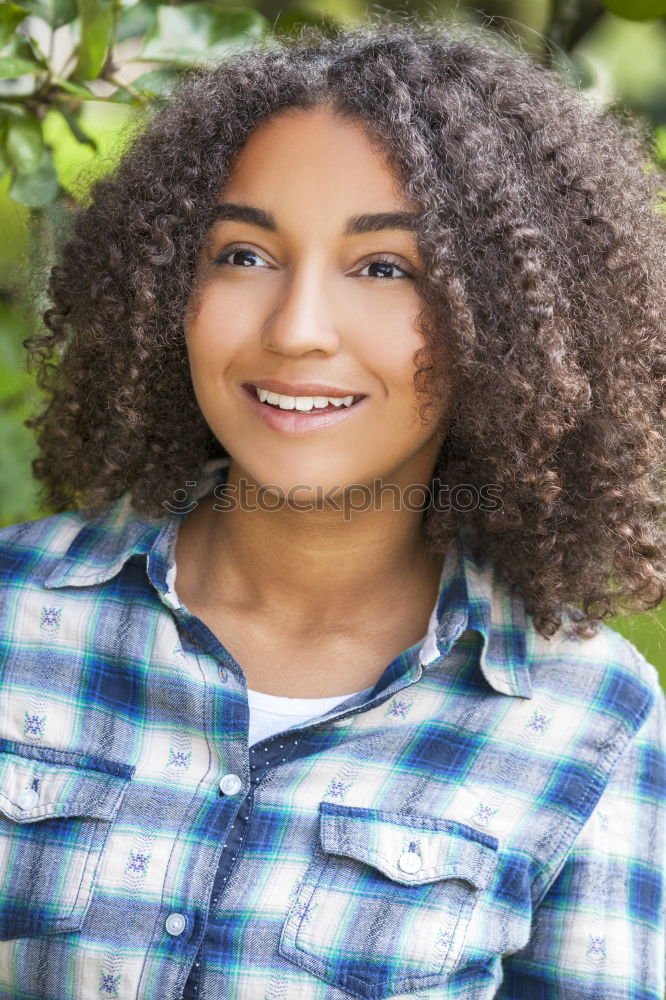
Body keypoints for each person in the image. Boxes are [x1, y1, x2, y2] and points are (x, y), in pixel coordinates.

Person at [0, 12, 665, 1000]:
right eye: (243, 254)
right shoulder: (16, 613)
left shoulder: (588, 721)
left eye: (385, 268)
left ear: (514, 329)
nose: (298, 327)